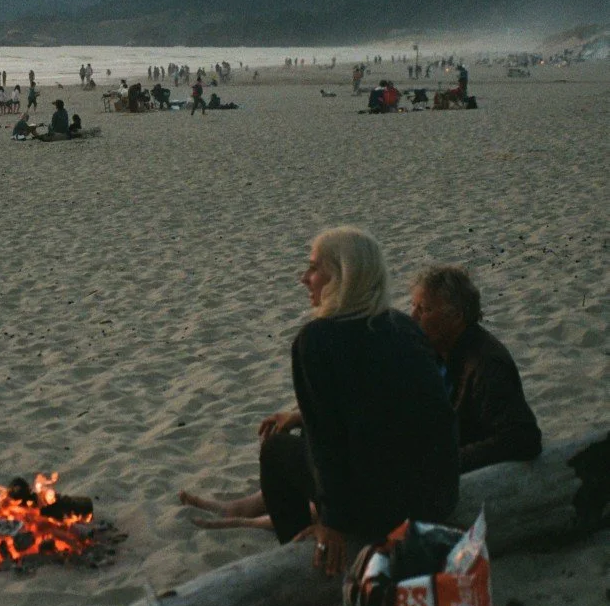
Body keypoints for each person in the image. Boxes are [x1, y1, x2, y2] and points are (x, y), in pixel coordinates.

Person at [179, 228, 458, 575]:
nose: (304, 279)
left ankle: (300, 550)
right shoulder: (403, 326)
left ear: (342, 276)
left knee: (277, 451)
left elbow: (328, 441)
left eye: (313, 269)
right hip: (438, 499)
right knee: (305, 440)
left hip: (380, 513)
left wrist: (334, 522)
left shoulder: (317, 339)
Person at [410, 266, 541, 471]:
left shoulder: (486, 365)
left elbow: (522, 437)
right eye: (413, 306)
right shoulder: (436, 351)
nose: (413, 317)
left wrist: (447, 462)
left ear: (456, 316)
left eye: (424, 309)